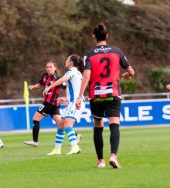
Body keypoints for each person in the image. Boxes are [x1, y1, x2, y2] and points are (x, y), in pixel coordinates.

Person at [76, 23, 135, 168]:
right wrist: (127, 75)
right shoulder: (117, 51)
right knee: (114, 124)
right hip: (113, 93)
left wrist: (79, 96)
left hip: (96, 96)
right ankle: (113, 156)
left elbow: (86, 76)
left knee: (98, 125)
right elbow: (131, 71)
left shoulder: (89, 55)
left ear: (93, 37)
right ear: (107, 36)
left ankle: (100, 161)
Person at [43, 55, 85, 155]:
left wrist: (49, 87)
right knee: (61, 125)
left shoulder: (72, 71)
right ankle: (57, 149)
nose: (66, 61)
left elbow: (62, 80)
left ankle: (75, 147)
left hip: (75, 102)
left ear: (71, 62)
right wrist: (67, 98)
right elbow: (74, 88)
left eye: (67, 59)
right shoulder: (77, 72)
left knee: (67, 124)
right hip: (72, 101)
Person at [24, 60, 69, 147]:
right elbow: (40, 84)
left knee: (35, 119)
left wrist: (66, 98)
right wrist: (33, 87)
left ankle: (35, 141)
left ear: (55, 68)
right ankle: (76, 135)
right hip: (53, 104)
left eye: (50, 67)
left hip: (49, 103)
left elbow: (66, 85)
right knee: (60, 124)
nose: (48, 68)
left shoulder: (57, 78)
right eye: (47, 67)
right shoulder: (44, 76)